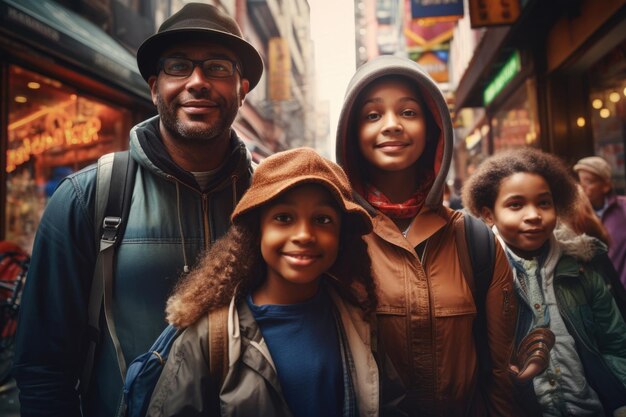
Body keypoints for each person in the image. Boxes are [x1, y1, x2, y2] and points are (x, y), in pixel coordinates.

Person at [12, 3, 263, 416]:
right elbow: (43, 367)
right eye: (179, 66)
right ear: (154, 87)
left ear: (242, 88)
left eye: (218, 67)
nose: (197, 82)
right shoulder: (86, 198)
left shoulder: (271, 200)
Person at [335, 55, 520, 416]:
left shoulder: (475, 240)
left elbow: (500, 374)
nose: (391, 126)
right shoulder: (337, 237)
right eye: (372, 116)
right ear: (351, 135)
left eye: (408, 112)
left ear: (434, 127)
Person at [145, 147, 380, 416]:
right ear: (258, 231)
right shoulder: (212, 336)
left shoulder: (358, 319)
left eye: (322, 219)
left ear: (342, 236)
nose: (304, 235)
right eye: (283, 218)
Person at [462, 147, 626, 417]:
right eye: (516, 205)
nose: (533, 215)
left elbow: (615, 342)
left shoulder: (582, 267)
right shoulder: (478, 272)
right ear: (489, 214)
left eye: (543, 203)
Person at [573, 156, 626, 291]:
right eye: (580, 181)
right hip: (596, 293)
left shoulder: (623, 207)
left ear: (606, 186)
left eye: (589, 181)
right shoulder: (574, 215)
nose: (582, 186)